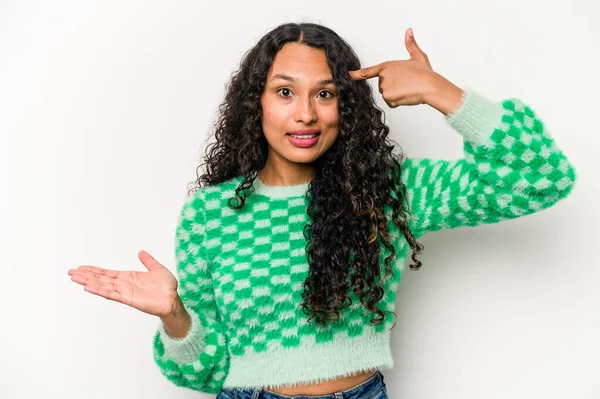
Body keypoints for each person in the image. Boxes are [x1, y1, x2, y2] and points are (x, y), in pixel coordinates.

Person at [67, 22, 577, 399]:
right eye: (285, 92)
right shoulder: (210, 213)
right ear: (257, 103)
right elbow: (204, 373)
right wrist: (176, 318)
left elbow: (538, 179)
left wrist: (438, 91)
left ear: (345, 106)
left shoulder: (386, 191)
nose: (306, 113)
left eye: (325, 94)